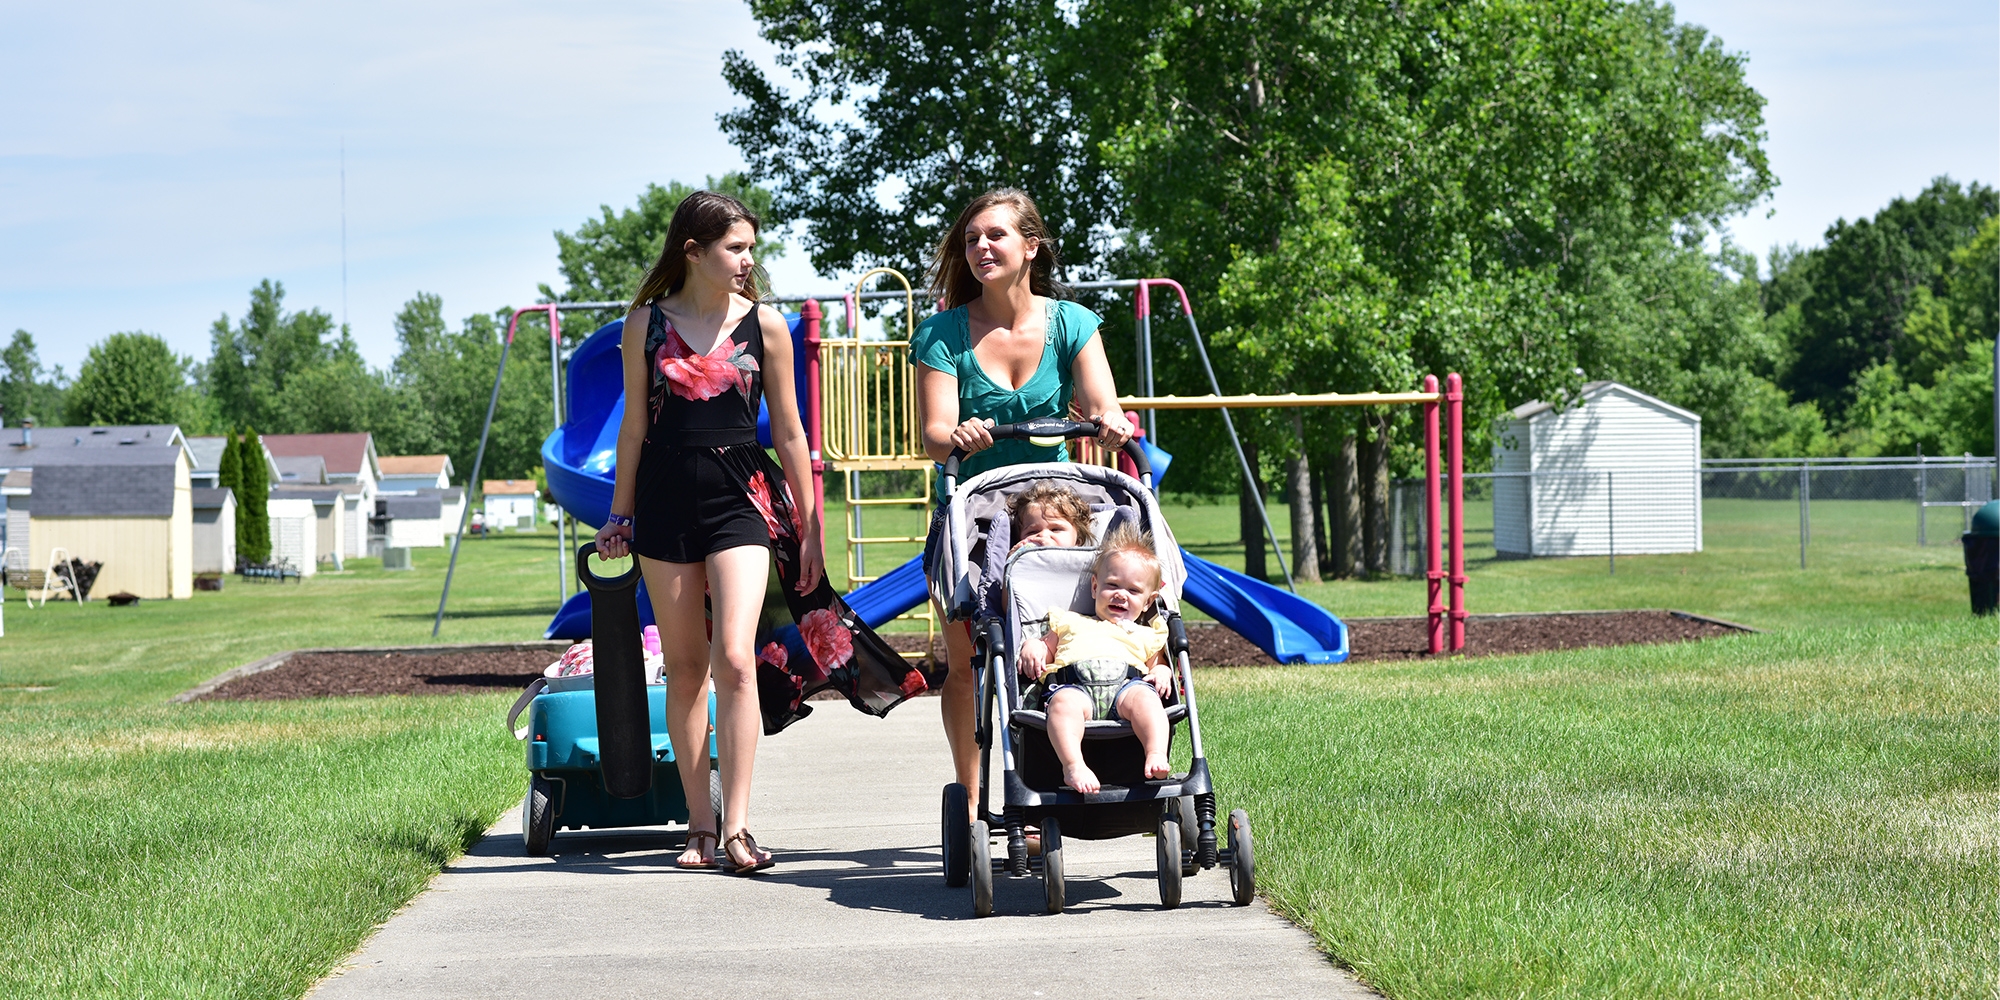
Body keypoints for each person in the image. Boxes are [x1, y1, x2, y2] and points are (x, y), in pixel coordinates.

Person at [594, 190, 924, 875]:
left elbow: (795, 434)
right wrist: (619, 515)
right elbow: (635, 428)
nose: (747, 261)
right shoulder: (644, 324)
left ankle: (740, 828)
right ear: (693, 250)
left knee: (736, 659)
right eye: (734, 248)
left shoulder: (766, 326)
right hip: (662, 501)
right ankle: (701, 827)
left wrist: (810, 527)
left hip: (742, 498)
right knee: (686, 667)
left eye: (750, 248)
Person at [913, 188, 1134, 807]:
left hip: (1051, 511)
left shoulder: (1071, 324)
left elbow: (1102, 407)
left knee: (1051, 646)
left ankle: (1040, 777)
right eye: (971, 239)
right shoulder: (943, 334)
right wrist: (955, 435)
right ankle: (973, 789)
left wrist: (1113, 423)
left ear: (1030, 247)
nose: (980, 247)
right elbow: (935, 435)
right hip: (974, 512)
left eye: (995, 236)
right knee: (967, 664)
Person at [1015, 525, 1173, 794]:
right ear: (1095, 586)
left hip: (1127, 689)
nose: (1120, 594)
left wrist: (1162, 672)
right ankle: (1073, 765)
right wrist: (1032, 646)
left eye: (1133, 591)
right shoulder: (1069, 621)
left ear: (1149, 602)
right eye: (1112, 585)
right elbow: (1046, 647)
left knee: (1147, 701)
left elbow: (1157, 664)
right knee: (1062, 705)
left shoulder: (1147, 634)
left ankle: (1156, 752)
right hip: (1076, 688)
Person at [1008, 480, 1095, 554]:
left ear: (1078, 541)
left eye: (1055, 529)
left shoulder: (1083, 565)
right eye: (1032, 532)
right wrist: (1013, 559)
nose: (1043, 535)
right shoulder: (1023, 560)